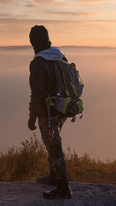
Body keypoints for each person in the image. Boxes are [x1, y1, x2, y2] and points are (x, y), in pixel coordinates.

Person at [28, 25, 72, 199]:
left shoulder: (38, 62)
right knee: (52, 142)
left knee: (54, 146)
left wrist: (32, 117)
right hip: (62, 108)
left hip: (48, 111)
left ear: (33, 41)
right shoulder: (60, 56)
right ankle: (53, 176)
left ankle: (63, 187)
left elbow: (37, 94)